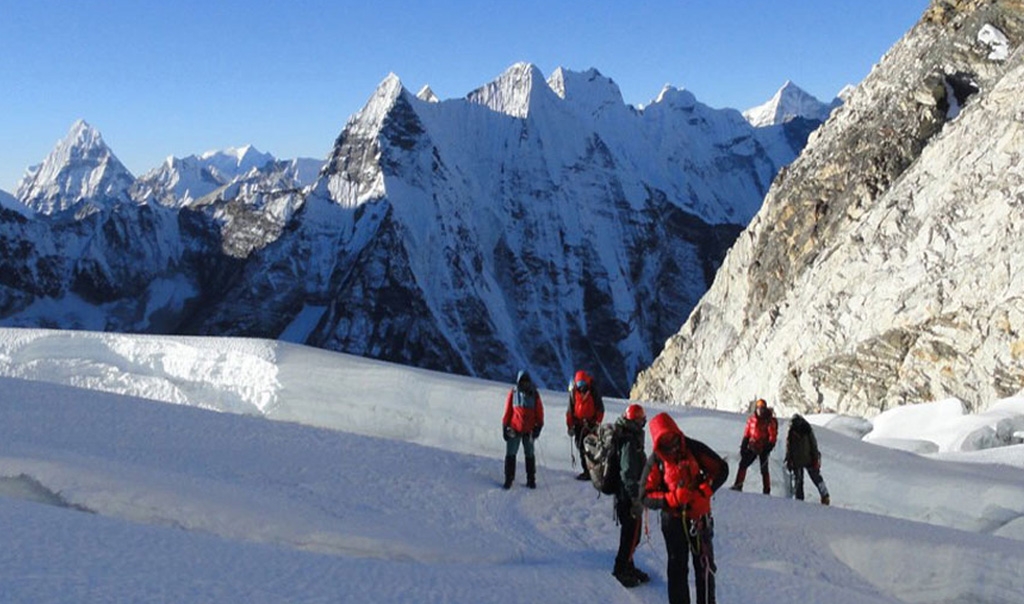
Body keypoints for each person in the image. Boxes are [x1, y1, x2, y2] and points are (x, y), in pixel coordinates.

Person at [641, 412, 728, 604]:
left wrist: (705, 491)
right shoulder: (657, 460)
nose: (670, 444)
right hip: (674, 520)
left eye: (671, 437)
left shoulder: (692, 448)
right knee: (678, 567)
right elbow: (645, 495)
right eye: (665, 441)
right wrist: (672, 498)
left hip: (698, 518)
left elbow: (722, 469)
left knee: (704, 567)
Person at [611, 404, 650, 588]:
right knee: (631, 534)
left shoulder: (628, 436)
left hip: (624, 495)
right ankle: (621, 569)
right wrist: (636, 496)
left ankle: (628, 565)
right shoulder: (629, 441)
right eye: (642, 419)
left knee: (631, 534)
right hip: (628, 496)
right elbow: (627, 472)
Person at [502, 370, 544, 489]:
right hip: (514, 429)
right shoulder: (513, 393)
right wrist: (505, 427)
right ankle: (509, 479)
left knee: (529, 455)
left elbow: (539, 413)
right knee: (511, 454)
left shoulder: (535, 394)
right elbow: (508, 411)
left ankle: (531, 479)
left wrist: (538, 427)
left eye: (526, 382)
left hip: (528, 430)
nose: (524, 384)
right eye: (522, 382)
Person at [730, 398, 778, 494]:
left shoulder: (768, 421)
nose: (760, 410)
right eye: (759, 408)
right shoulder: (752, 420)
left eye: (762, 408)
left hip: (763, 447)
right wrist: (744, 444)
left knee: (764, 469)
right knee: (743, 464)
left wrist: (768, 447)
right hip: (753, 446)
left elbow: (773, 436)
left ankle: (766, 490)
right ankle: (738, 485)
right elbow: (747, 433)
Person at [566, 369, 605, 480]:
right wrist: (570, 425)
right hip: (580, 424)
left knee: (590, 448)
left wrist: (597, 422)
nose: (581, 388)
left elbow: (600, 409)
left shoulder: (592, 391)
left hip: (590, 424)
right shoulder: (575, 393)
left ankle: (592, 471)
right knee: (582, 447)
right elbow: (570, 411)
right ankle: (589, 471)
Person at [784, 414, 831, 505]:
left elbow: (789, 447)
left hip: (797, 461)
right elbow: (813, 445)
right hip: (809, 459)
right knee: (817, 478)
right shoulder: (807, 429)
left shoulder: (791, 431)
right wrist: (815, 458)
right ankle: (825, 496)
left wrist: (789, 459)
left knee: (799, 482)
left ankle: (800, 501)